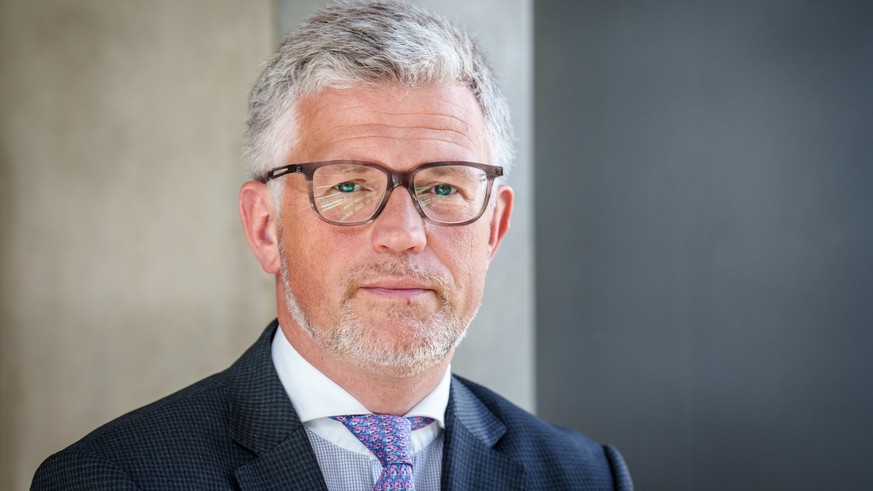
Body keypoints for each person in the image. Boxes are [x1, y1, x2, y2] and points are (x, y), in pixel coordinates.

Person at [32, 1, 632, 489]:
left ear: (494, 228)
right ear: (266, 228)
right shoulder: (111, 478)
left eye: (443, 186)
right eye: (348, 184)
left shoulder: (584, 477)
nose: (403, 233)